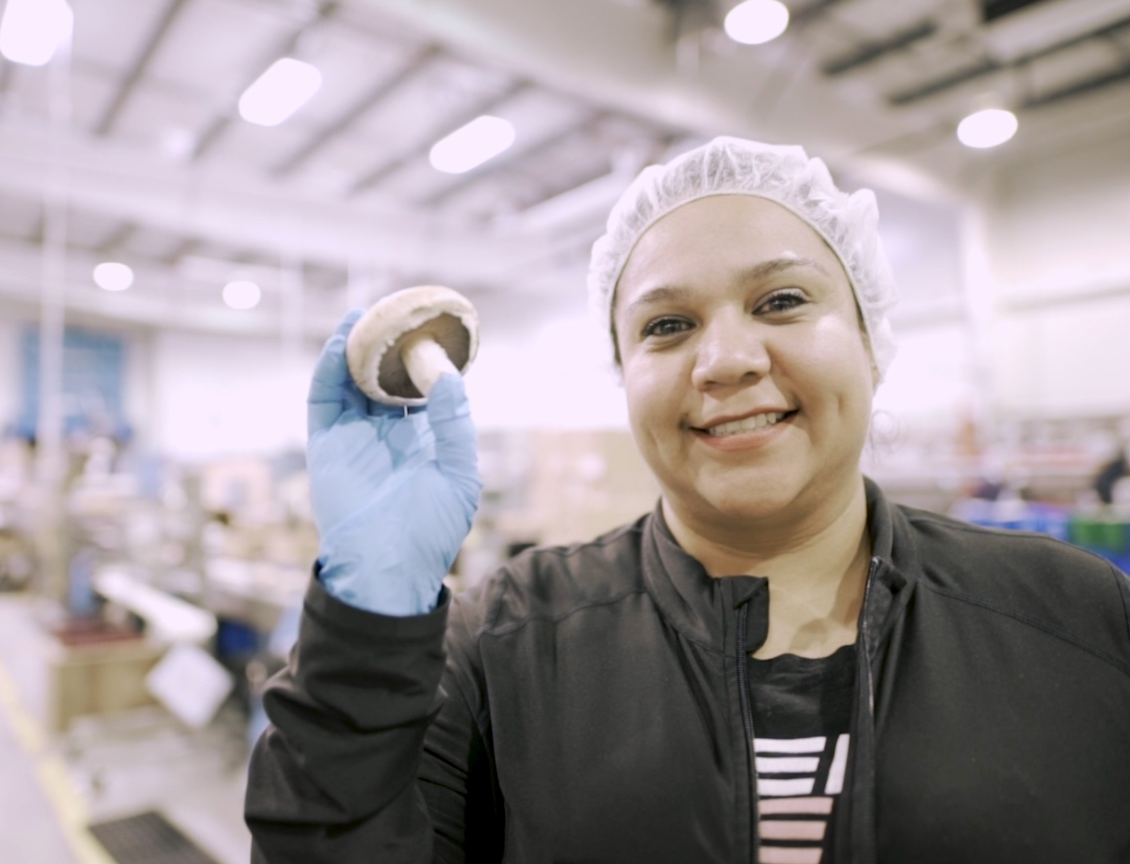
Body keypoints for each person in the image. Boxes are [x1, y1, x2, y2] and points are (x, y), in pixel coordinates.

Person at [244, 138, 1130, 863]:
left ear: (871, 338)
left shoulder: (1081, 623)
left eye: (782, 301)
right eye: (667, 325)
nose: (726, 361)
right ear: (625, 375)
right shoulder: (508, 649)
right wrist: (364, 627)